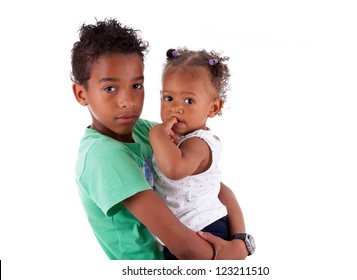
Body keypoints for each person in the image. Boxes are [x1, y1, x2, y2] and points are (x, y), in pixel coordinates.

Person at [71, 18, 250, 260]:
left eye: (136, 85)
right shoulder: (103, 156)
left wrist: (240, 241)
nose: (128, 100)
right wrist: (229, 258)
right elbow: (185, 247)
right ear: (81, 94)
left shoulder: (145, 131)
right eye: (110, 88)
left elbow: (213, 186)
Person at [150, 48, 231, 259]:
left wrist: (157, 133)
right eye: (168, 98)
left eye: (189, 101)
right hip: (181, 233)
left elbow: (175, 169)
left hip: (205, 231)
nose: (175, 108)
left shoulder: (199, 143)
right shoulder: (176, 139)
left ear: (213, 107)